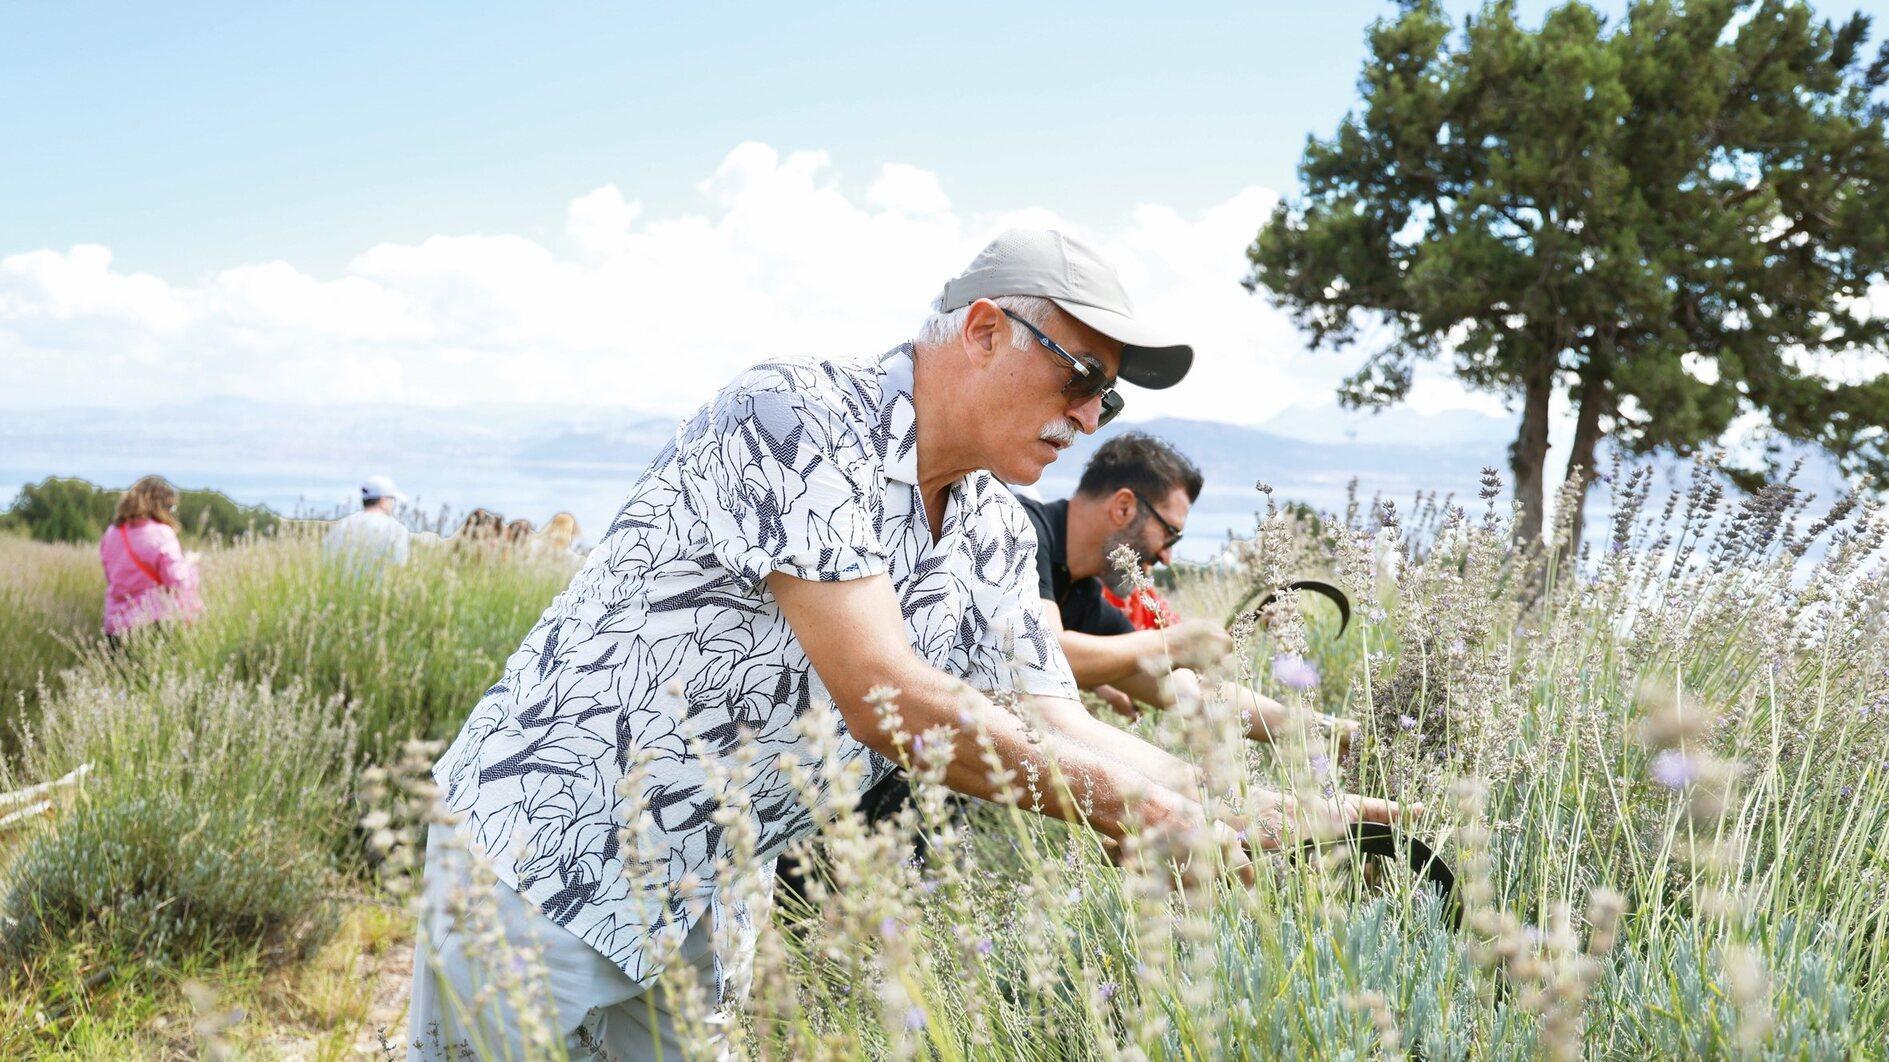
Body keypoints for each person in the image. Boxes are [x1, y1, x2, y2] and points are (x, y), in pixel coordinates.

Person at [408, 228, 1410, 1060]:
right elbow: (882, 692)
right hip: (547, 856)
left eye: (1109, 398)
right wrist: (1146, 814)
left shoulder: (984, 526)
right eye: (1082, 373)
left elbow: (1056, 716)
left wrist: (1246, 809)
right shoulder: (794, 415)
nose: (1089, 414)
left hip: (707, 889)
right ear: (983, 331)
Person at [1015, 433, 1358, 747]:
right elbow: (1044, 654)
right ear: (1123, 507)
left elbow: (1189, 690)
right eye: (1169, 533)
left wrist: (1331, 731)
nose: (1166, 557)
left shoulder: (1082, 599)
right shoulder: (1019, 528)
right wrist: (1175, 642)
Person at [98, 475, 203, 643]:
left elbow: (111, 577)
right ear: (160, 505)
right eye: (171, 507)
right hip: (152, 625)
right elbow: (177, 582)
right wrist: (190, 565)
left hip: (115, 627)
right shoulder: (162, 533)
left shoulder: (112, 533)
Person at [322, 475, 411, 567]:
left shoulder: (341, 525)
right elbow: (398, 566)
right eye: (393, 500)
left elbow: (327, 560)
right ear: (383, 500)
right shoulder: (395, 529)